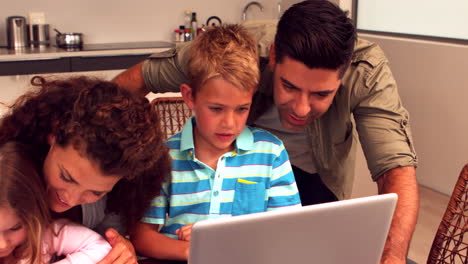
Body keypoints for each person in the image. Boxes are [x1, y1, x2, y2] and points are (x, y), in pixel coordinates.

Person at [114, 1, 419, 263]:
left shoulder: (366, 70)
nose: (301, 109)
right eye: (289, 86)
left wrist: (392, 256)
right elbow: (136, 81)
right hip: (234, 179)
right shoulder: (227, 56)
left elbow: (397, 170)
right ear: (272, 55)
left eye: (320, 95)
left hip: (304, 184)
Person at [130, 24, 301, 261]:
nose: (229, 123)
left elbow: (288, 232)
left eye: (242, 109)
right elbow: (142, 236)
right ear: (190, 97)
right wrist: (197, 251)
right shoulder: (163, 157)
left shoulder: (271, 153)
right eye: (216, 109)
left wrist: (221, 239)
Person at [0, 76, 172, 264]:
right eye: (66, 177)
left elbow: (101, 246)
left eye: (96, 192)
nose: (70, 199)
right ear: (54, 135)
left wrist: (122, 250)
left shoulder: (114, 201)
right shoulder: (10, 170)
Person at [0, 141, 112, 264]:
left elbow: (101, 248)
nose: (2, 244)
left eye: (15, 228)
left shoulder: (45, 235)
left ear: (34, 216)